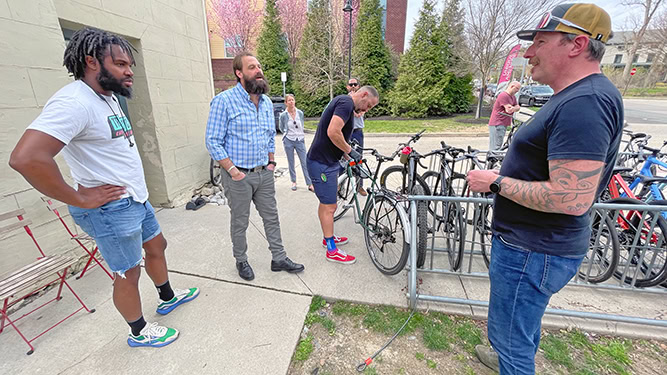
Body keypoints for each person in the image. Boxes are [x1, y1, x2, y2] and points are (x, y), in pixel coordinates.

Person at [9, 27, 199, 348]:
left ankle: (166, 297)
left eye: (130, 66)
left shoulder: (107, 98)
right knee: (128, 272)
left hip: (135, 199)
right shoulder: (74, 102)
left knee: (156, 246)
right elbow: (26, 158)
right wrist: (78, 197)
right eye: (122, 64)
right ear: (91, 62)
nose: (129, 72)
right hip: (110, 209)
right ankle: (138, 331)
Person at [466, 4, 622, 374]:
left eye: (539, 41)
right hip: (535, 247)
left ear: (576, 44)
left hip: (532, 250)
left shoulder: (585, 102)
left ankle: (509, 358)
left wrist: (497, 182)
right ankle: (505, 354)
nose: (528, 52)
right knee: (520, 327)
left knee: (511, 340)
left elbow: (571, 198)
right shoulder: (577, 96)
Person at [205, 52, 304, 281]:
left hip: (264, 174)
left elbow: (270, 135)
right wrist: (232, 171)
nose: (258, 70)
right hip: (238, 176)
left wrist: (271, 161)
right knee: (240, 221)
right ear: (239, 73)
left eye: (259, 66)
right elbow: (212, 140)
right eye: (252, 67)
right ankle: (241, 260)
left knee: (272, 217)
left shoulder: (267, 102)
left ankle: (278, 258)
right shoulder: (224, 101)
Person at [307, 86, 379, 264]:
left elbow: (337, 138)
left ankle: (327, 237)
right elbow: (333, 132)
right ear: (363, 95)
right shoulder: (346, 103)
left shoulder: (345, 103)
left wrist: (350, 157)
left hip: (328, 161)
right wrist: (350, 151)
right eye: (368, 105)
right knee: (330, 206)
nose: (366, 110)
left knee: (327, 205)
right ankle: (331, 250)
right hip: (321, 163)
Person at [279, 94, 314, 192]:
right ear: (286, 103)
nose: (291, 102)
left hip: (300, 140)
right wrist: (286, 133)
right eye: (289, 100)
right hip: (289, 140)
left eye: (292, 100)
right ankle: (293, 181)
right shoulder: (283, 115)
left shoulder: (300, 113)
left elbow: (301, 124)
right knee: (291, 162)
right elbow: (281, 127)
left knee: (304, 162)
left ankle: (309, 183)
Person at [346, 78, 367, 196]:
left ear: (358, 86)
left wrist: (359, 111)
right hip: (348, 131)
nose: (353, 86)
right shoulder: (346, 99)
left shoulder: (363, 99)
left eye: (355, 84)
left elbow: (361, 112)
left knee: (358, 158)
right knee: (343, 158)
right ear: (347, 87)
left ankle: (360, 186)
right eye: (351, 84)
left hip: (358, 132)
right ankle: (340, 185)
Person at [488, 81, 521, 152]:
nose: (518, 91)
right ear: (512, 86)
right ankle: (492, 161)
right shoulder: (503, 95)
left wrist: (514, 108)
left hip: (503, 123)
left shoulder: (513, 97)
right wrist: (514, 108)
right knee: (496, 146)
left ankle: (494, 160)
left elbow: (518, 107)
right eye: (517, 88)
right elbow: (509, 110)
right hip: (497, 123)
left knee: (498, 145)